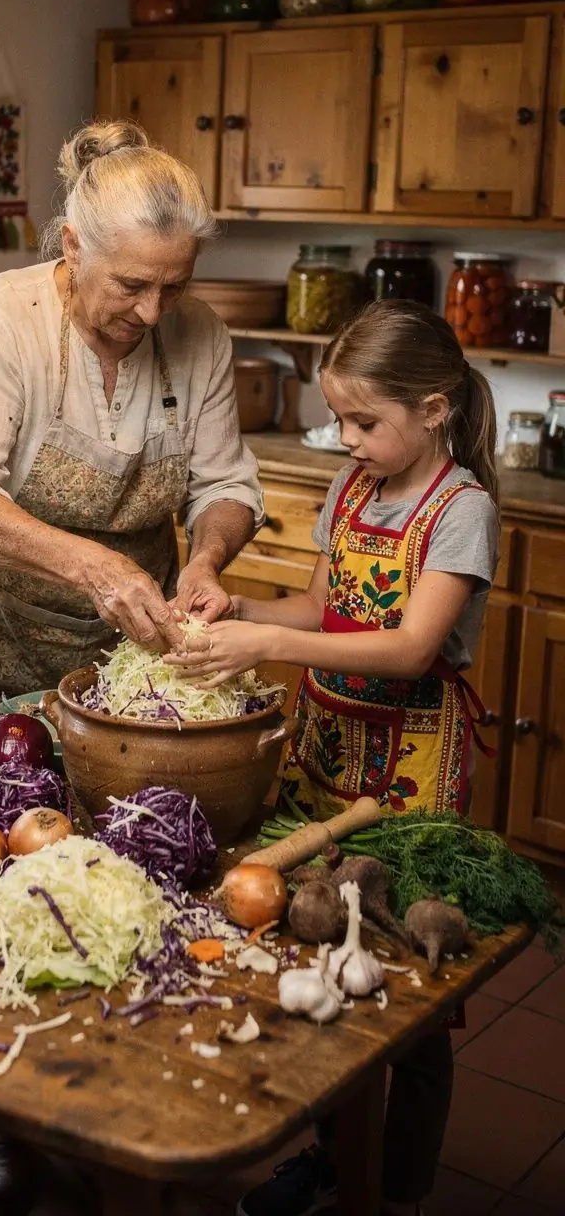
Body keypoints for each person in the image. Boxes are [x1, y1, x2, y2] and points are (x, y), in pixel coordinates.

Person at [0, 118, 264, 1214]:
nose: (153, 313)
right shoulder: (1, 317)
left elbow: (227, 484)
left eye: (173, 286)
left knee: (109, 853)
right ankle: (2, 1107)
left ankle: (111, 1075)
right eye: (131, 286)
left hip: (121, 635)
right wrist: (95, 563)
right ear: (71, 247)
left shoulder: (198, 336)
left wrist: (203, 557)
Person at [168, 300, 500, 1216]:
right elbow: (323, 610)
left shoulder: (461, 510)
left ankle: (397, 1188)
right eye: (338, 419)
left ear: (433, 410)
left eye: (363, 421)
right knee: (318, 951)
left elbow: (410, 649)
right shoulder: (355, 489)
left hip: (409, 777)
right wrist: (239, 609)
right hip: (325, 760)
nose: (345, 439)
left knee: (407, 988)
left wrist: (267, 649)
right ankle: (332, 1155)